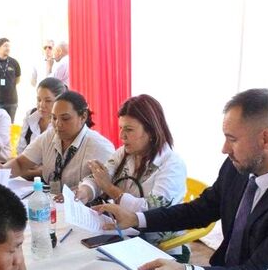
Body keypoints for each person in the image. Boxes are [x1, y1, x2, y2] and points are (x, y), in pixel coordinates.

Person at [96, 89, 268, 270]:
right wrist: (137, 219)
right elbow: (201, 209)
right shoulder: (239, 167)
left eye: (232, 139)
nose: (224, 149)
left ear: (265, 139)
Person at [75, 94, 187, 259]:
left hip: (160, 249)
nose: (122, 136)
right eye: (121, 128)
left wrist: (110, 189)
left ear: (151, 131)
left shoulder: (172, 165)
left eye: (129, 129)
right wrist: (85, 191)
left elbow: (152, 211)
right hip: (125, 237)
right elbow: (100, 177)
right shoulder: (125, 153)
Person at [0, 90, 115, 194]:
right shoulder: (50, 136)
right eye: (54, 118)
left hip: (85, 210)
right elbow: (21, 163)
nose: (58, 124)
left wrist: (83, 193)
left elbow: (103, 186)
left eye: (65, 118)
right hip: (52, 201)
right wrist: (2, 169)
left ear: (83, 116)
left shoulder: (100, 146)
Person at [17, 77, 67, 154]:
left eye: (48, 101)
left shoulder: (63, 124)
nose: (42, 105)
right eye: (39, 100)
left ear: (60, 102)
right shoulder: (31, 116)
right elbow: (20, 150)